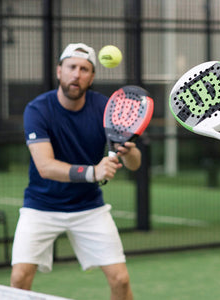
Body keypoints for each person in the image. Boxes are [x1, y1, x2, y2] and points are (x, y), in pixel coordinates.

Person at [10, 43, 138, 300]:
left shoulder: (105, 107)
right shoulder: (38, 109)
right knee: (19, 279)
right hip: (41, 206)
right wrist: (94, 172)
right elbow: (45, 167)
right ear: (59, 71)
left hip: (88, 207)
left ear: (91, 77)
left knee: (121, 280)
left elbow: (135, 164)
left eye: (84, 69)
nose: (76, 74)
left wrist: (130, 152)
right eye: (71, 67)